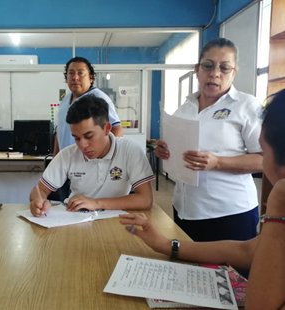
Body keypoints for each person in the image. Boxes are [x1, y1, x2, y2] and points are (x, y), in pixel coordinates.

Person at [120, 88, 285, 309]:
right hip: (189, 207)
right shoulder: (186, 107)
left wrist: (279, 201)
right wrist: (165, 244)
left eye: (263, 150)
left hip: (230, 210)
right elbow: (247, 251)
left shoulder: (281, 197)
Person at [155, 38, 263, 241]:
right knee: (189, 270)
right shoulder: (185, 107)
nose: (215, 73)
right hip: (184, 209)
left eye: (225, 68)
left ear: (234, 72)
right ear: (197, 69)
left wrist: (218, 162)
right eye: (208, 66)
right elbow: (177, 151)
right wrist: (165, 150)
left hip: (229, 213)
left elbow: (266, 160)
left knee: (229, 272)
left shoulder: (246, 106)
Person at [30, 95, 154, 217]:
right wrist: (38, 202)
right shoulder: (68, 155)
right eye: (76, 138)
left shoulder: (129, 151)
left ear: (107, 129)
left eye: (89, 136)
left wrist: (96, 203)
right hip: (75, 219)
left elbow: (145, 200)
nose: (82, 145)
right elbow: (40, 190)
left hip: (115, 221)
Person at [53, 56, 123, 154]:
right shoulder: (65, 100)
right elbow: (59, 133)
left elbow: (116, 129)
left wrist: (104, 157)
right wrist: (55, 158)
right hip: (67, 161)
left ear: (91, 77)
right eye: (71, 73)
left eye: (80, 73)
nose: (75, 77)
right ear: (66, 78)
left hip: (89, 161)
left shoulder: (98, 97)